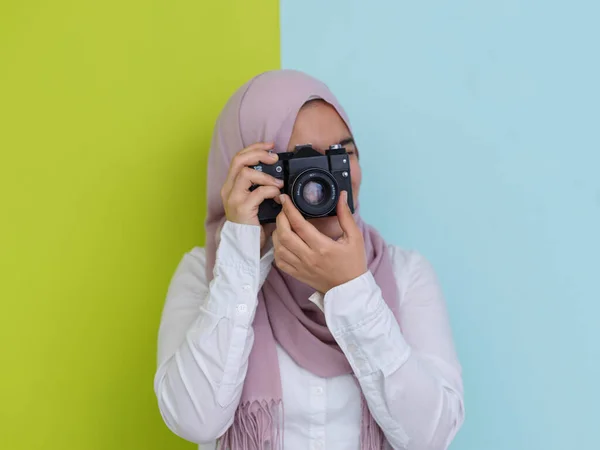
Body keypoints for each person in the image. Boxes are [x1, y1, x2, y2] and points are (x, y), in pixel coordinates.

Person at [154, 70, 465, 450]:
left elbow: (431, 437)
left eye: (343, 154)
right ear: (253, 172)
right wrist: (241, 257)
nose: (327, 180)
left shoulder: (405, 273)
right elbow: (194, 421)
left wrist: (350, 287)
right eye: (302, 160)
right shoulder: (205, 273)